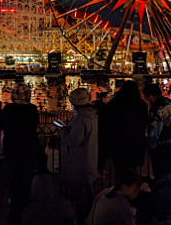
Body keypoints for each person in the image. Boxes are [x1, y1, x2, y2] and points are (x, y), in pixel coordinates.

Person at [0, 82, 40, 223]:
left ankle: (14, 212)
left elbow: (0, 125)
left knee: (13, 181)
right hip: (28, 150)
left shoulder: (8, 109)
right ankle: (26, 210)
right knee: (26, 181)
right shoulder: (32, 109)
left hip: (12, 151)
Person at [60, 87, 98, 224]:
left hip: (79, 164)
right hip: (91, 161)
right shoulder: (93, 116)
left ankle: (82, 220)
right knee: (89, 193)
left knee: (80, 197)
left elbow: (74, 141)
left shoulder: (80, 120)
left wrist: (63, 130)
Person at [104, 80, 148, 173]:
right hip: (135, 142)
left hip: (118, 142)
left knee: (119, 169)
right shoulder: (141, 105)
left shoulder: (113, 104)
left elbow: (108, 123)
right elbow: (144, 122)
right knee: (133, 169)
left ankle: (121, 186)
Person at [144, 83, 171, 181]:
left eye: (147, 98)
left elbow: (154, 133)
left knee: (162, 180)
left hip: (162, 151)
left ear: (150, 96)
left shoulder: (157, 108)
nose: (148, 101)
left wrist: (150, 146)